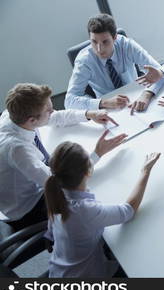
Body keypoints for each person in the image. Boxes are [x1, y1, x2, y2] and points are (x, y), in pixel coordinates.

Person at [0, 83, 127, 231]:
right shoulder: (17, 149)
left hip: (36, 182)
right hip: (28, 209)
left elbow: (53, 117)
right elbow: (57, 182)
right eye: (48, 110)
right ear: (32, 121)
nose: (52, 111)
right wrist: (97, 154)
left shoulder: (13, 115)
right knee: (96, 195)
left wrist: (89, 114)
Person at [45, 142, 160, 278]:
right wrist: (145, 171)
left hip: (59, 271)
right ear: (88, 172)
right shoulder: (84, 211)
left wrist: (97, 153)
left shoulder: (56, 192)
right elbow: (128, 210)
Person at [65, 13, 164, 113]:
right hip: (107, 109)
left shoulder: (126, 45)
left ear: (115, 38)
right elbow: (69, 101)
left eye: (105, 42)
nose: (99, 49)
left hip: (137, 97)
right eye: (94, 42)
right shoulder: (84, 61)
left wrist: (147, 94)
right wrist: (103, 103)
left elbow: (161, 72)